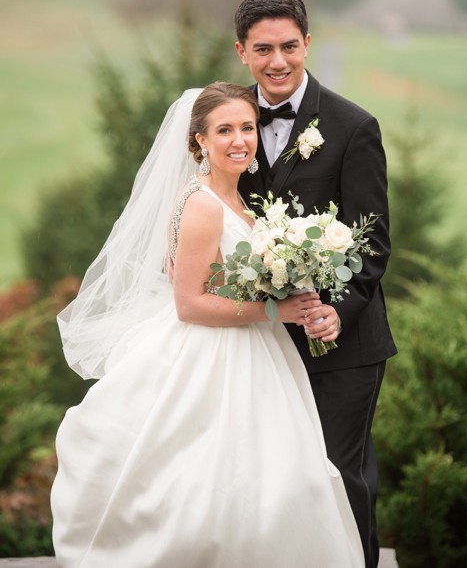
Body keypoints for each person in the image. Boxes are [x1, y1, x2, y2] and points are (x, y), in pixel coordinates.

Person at [51, 82, 364, 567]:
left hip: (256, 350)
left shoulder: (240, 200)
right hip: (209, 354)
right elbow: (190, 305)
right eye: (224, 130)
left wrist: (290, 281)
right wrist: (276, 311)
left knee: (274, 478)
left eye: (246, 127)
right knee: (212, 482)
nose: (240, 140)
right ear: (199, 141)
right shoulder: (201, 203)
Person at [233, 0, 395, 568]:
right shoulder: (231, 122)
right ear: (242, 52)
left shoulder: (354, 126)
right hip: (260, 339)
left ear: (308, 44)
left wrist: (335, 309)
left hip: (341, 343)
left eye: (289, 46)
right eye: (263, 49)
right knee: (270, 480)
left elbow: (372, 240)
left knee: (337, 474)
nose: (277, 61)